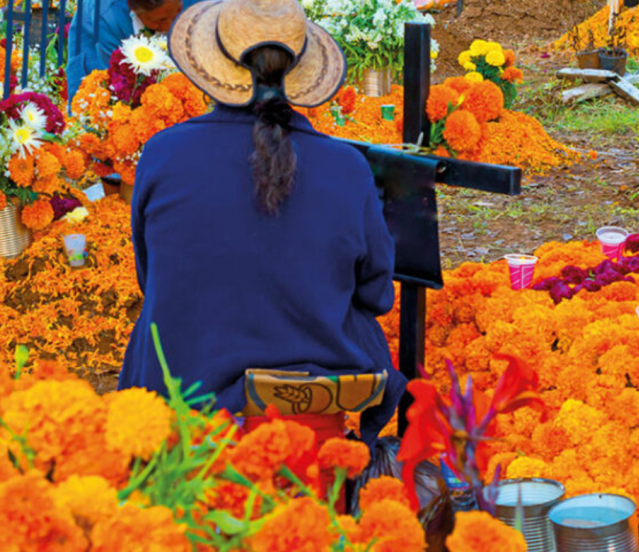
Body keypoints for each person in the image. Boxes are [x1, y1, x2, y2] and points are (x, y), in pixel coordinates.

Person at [118, 0, 406, 445]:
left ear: (213, 69)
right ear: (299, 73)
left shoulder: (163, 153)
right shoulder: (346, 167)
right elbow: (376, 293)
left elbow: (149, 276)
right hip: (311, 395)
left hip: (185, 390)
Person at [65, 0, 198, 103]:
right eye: (160, 20)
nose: (170, 25)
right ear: (133, 8)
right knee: (100, 105)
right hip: (95, 40)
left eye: (178, 11)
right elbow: (118, 81)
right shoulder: (107, 14)